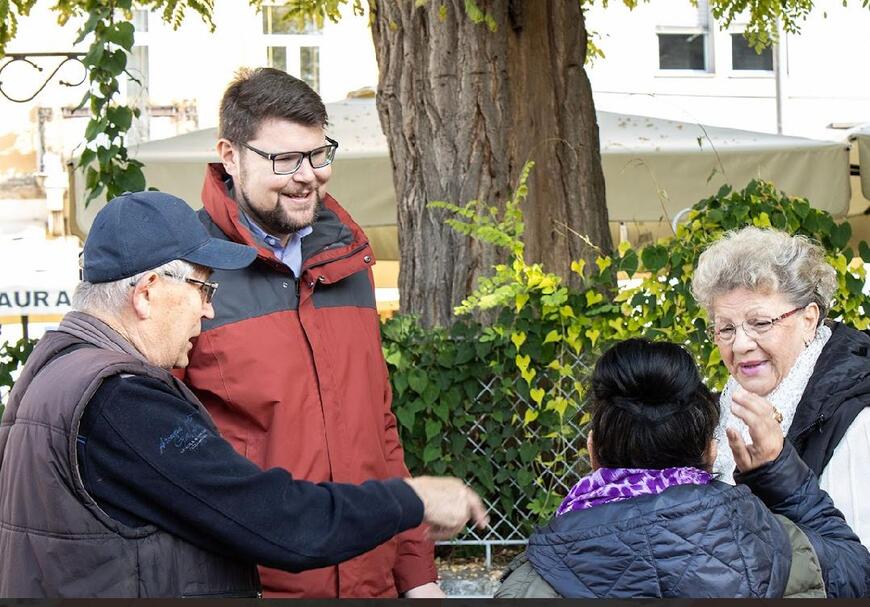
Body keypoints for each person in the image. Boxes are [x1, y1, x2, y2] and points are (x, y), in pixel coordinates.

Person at [0, 192, 487, 598]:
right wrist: (411, 498)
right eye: (203, 288)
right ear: (147, 292)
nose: (208, 313)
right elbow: (278, 522)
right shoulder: (121, 401)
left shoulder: (56, 370)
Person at [180, 67, 442, 598]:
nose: (309, 175)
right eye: (285, 160)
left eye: (320, 154)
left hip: (372, 582)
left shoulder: (349, 259)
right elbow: (166, 456)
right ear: (230, 156)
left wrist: (417, 575)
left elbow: (380, 427)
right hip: (254, 586)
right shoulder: (185, 269)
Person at [496, 339, 870, 598]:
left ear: (593, 450)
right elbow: (856, 572)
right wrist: (779, 474)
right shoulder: (778, 545)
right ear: (711, 450)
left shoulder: (534, 579)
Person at [691, 226, 870, 544]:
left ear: (809, 320)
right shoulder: (718, 412)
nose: (741, 344)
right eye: (726, 329)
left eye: (760, 323)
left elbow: (858, 567)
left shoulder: (857, 416)